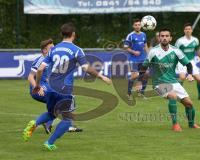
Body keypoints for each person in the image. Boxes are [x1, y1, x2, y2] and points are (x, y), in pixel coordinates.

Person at [23, 22, 111, 150]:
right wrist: (102, 76)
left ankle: (35, 123)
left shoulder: (53, 49)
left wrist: (37, 85)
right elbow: (86, 68)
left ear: (61, 34)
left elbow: (40, 69)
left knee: (52, 114)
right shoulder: (76, 50)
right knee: (68, 119)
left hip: (51, 87)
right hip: (64, 89)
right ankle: (50, 142)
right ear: (73, 35)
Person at [141, 28, 200, 132]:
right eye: (162, 36)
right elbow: (143, 67)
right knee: (172, 96)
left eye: (166, 36)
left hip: (174, 82)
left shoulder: (176, 51)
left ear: (170, 38)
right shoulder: (153, 52)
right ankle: (175, 124)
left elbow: (188, 64)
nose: (164, 38)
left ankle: (191, 124)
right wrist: (140, 79)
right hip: (159, 84)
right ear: (159, 38)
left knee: (189, 104)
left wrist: (190, 74)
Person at [28, 39, 82, 134]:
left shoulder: (52, 60)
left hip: (47, 88)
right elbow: (30, 77)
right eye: (51, 48)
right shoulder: (40, 60)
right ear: (44, 50)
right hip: (38, 90)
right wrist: (38, 87)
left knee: (60, 102)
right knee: (66, 99)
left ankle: (49, 123)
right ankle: (64, 125)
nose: (54, 49)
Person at [175, 23, 200, 100]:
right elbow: (175, 52)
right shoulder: (180, 41)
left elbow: (197, 50)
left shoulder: (195, 40)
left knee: (199, 80)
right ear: (184, 31)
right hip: (182, 62)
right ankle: (179, 94)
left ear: (192, 30)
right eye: (186, 29)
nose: (188, 30)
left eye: (189, 29)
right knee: (182, 77)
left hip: (191, 62)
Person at [124, 18, 149, 101]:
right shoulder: (130, 35)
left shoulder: (144, 34)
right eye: (136, 25)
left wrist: (148, 55)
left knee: (145, 75)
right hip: (133, 59)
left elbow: (145, 45)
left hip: (143, 58)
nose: (137, 26)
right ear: (133, 26)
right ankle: (128, 93)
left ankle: (141, 93)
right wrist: (134, 52)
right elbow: (126, 47)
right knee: (134, 76)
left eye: (139, 25)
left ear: (141, 25)